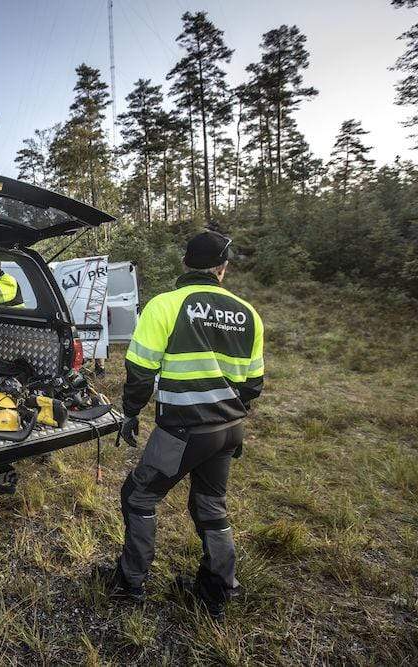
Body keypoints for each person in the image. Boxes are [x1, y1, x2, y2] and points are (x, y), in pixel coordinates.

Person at [106, 230, 264, 618]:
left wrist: (130, 413)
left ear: (185, 264)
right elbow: (253, 384)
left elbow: (140, 369)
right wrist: (225, 409)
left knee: (138, 497)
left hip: (182, 430)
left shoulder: (165, 305)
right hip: (228, 430)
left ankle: (130, 584)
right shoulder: (248, 314)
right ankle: (217, 592)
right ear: (222, 269)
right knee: (211, 507)